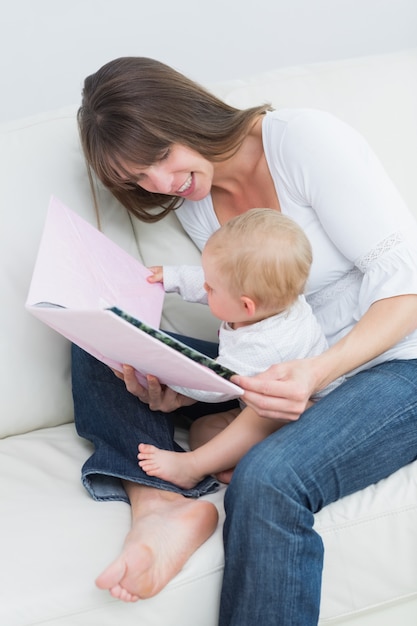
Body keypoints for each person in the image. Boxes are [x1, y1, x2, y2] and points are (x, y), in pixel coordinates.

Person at [73, 56, 417, 624]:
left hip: (393, 364)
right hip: (287, 365)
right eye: (138, 179)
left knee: (269, 480)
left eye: (160, 157)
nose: (162, 185)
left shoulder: (304, 141)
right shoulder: (197, 201)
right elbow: (255, 328)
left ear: (187, 115)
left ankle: (226, 456)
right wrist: (187, 387)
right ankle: (160, 507)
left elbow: (409, 287)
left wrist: (318, 372)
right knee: (98, 339)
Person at [138, 208, 343, 489]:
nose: (204, 288)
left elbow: (212, 386)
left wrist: (158, 366)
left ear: (246, 305)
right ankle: (242, 465)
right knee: (203, 429)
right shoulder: (269, 302)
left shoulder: (265, 343)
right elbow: (211, 281)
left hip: (311, 419)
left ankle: (193, 466)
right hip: (256, 409)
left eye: (211, 289)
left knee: (266, 408)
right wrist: (171, 277)